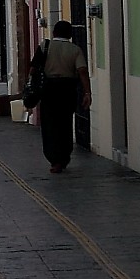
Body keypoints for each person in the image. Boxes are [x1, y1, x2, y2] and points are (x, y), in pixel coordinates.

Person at [35, 19, 91, 174]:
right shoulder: (75, 50)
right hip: (67, 90)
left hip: (49, 90)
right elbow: (82, 71)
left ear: (53, 33)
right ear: (70, 34)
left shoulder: (44, 46)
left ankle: (54, 159)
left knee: (49, 125)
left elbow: (33, 69)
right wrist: (87, 92)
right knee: (65, 124)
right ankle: (63, 157)